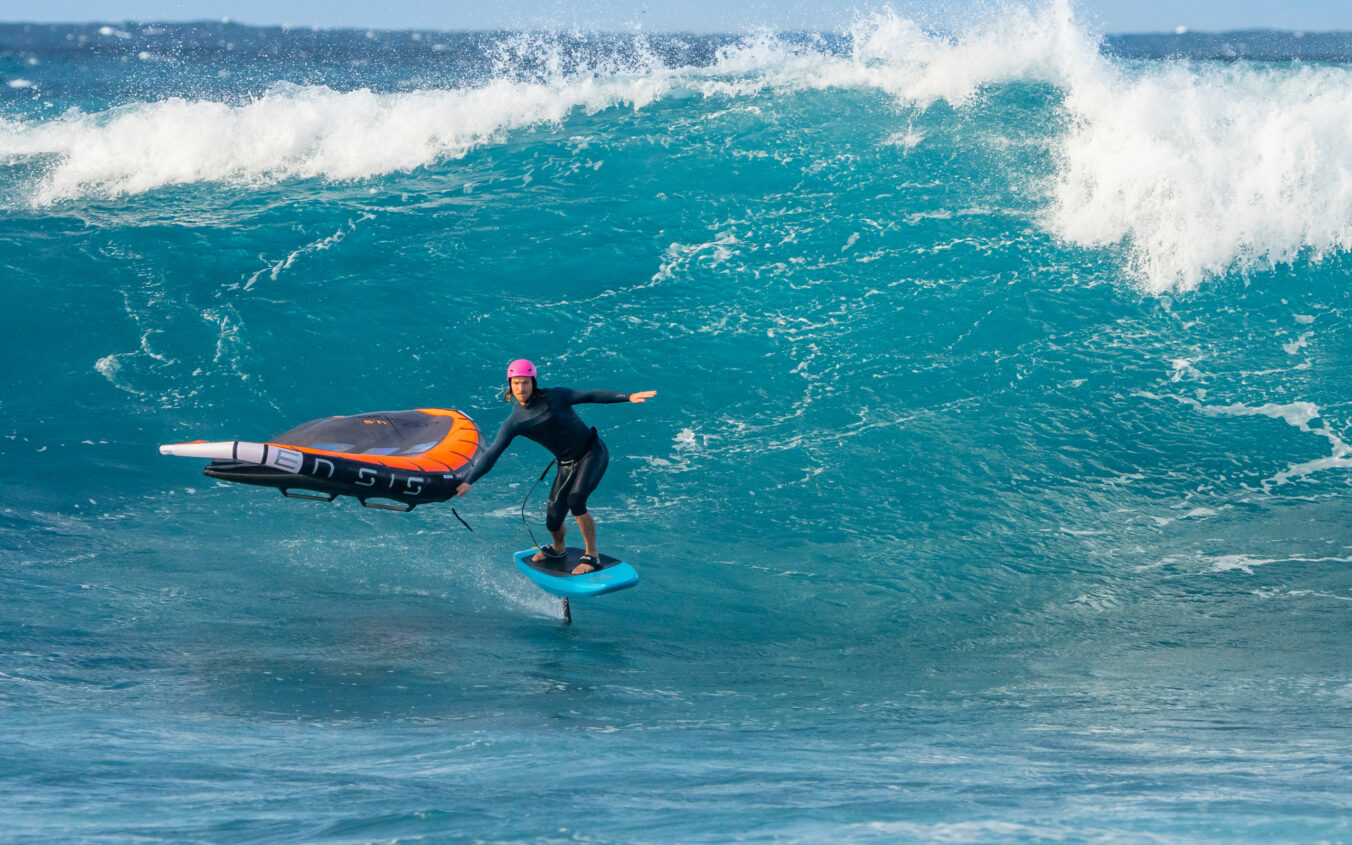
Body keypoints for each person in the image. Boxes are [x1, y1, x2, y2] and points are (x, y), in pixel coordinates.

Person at [455, 359, 656, 574]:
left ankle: (592, 555)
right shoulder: (514, 422)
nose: (521, 388)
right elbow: (493, 453)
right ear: (510, 385)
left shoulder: (556, 396)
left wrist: (627, 397)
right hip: (566, 463)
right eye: (516, 383)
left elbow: (590, 395)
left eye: (525, 382)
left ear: (533, 382)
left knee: (576, 500)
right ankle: (558, 548)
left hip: (591, 452)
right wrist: (469, 480)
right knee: (553, 519)